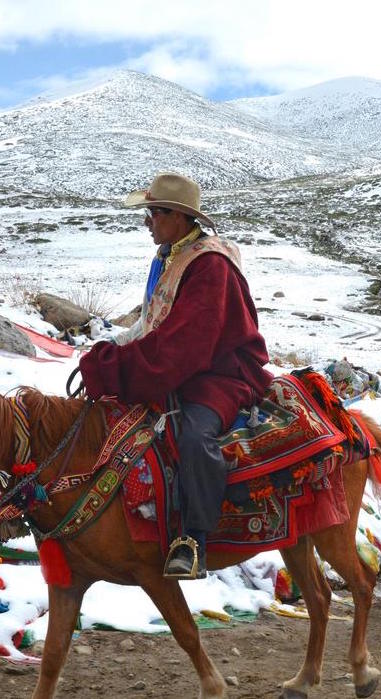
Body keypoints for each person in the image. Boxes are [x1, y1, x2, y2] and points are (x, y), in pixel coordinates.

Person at [78, 172, 272, 579]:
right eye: (148, 213)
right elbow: (153, 324)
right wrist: (109, 353)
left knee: (195, 435)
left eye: (154, 214)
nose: (148, 222)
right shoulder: (168, 257)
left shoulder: (210, 266)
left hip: (219, 373)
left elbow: (184, 347)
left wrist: (114, 367)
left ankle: (194, 538)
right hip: (185, 366)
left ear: (180, 218)